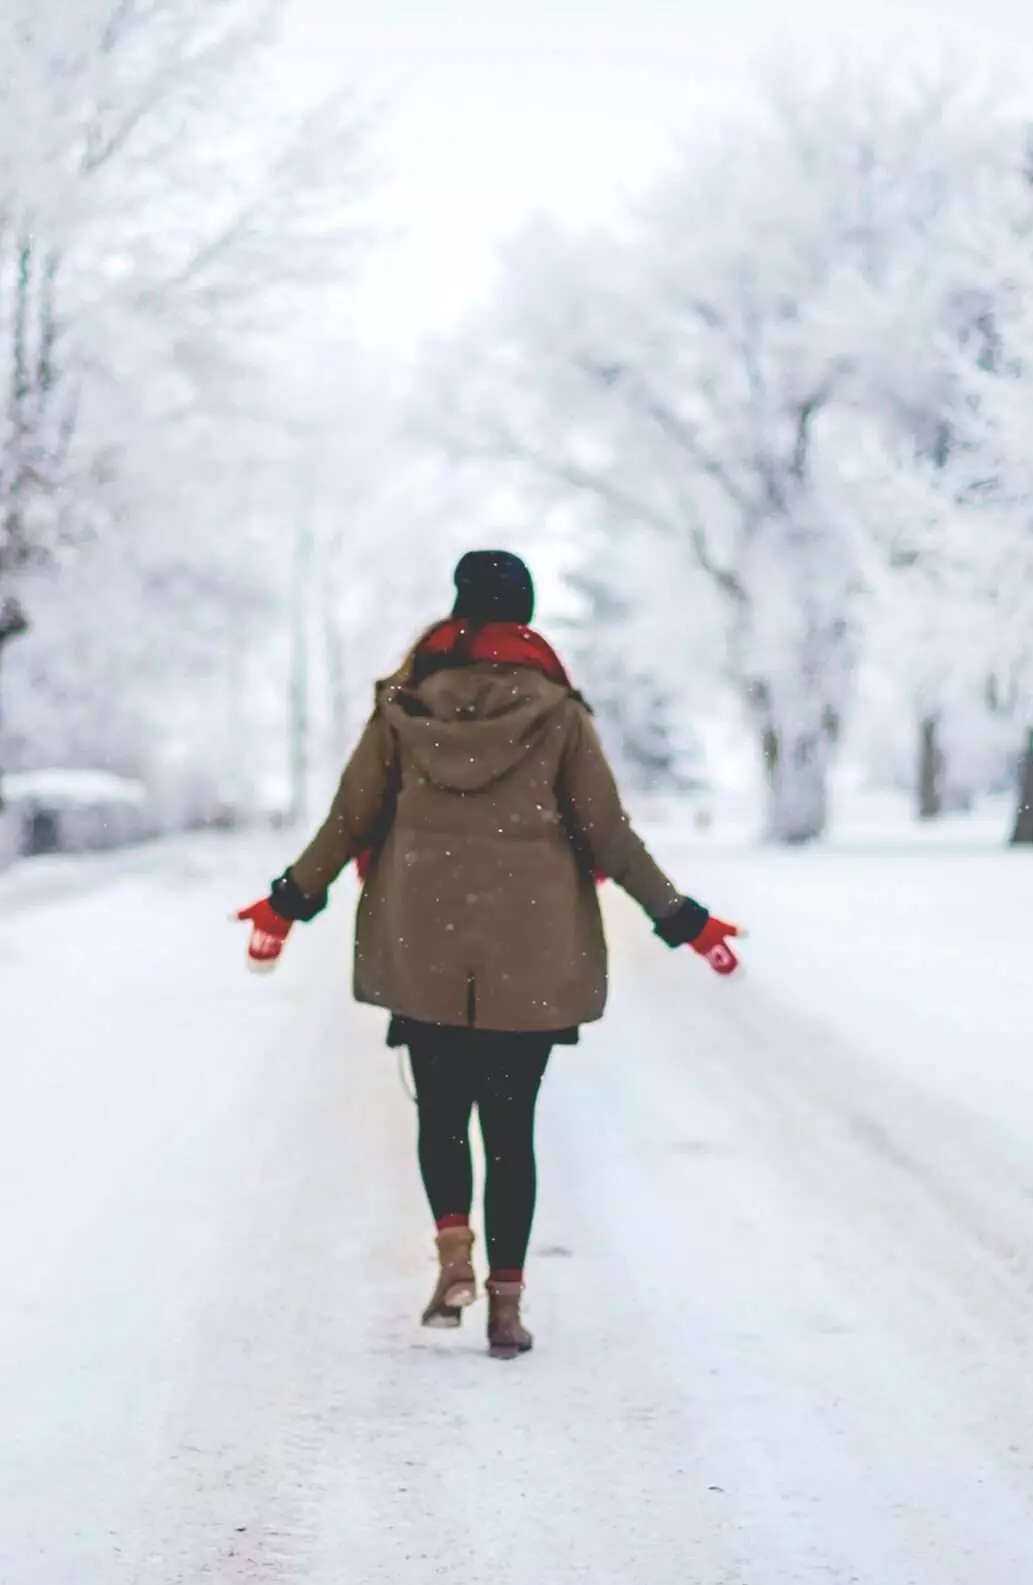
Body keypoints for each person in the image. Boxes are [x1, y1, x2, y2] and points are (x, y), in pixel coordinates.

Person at [236, 549, 740, 1360]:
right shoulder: (560, 715)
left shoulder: (404, 708)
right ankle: (506, 1310)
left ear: (461, 611)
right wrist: (685, 920)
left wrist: (288, 900)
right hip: (531, 954)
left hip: (420, 941)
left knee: (440, 1114)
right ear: (527, 617)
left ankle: (454, 1256)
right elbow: (608, 834)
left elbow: (348, 820)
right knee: (512, 1131)